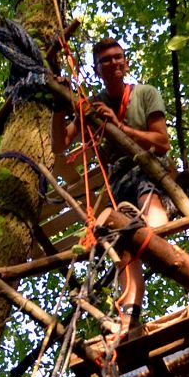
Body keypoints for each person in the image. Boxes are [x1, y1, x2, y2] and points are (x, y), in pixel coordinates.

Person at [51, 37, 172, 340]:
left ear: (126, 62)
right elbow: (60, 144)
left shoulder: (145, 94)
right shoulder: (93, 105)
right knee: (125, 251)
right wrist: (59, 104)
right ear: (97, 68)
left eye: (118, 57)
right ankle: (129, 315)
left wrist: (121, 128)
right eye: (106, 60)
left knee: (155, 227)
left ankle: (144, 225)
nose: (114, 63)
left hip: (148, 168)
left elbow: (162, 141)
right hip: (117, 180)